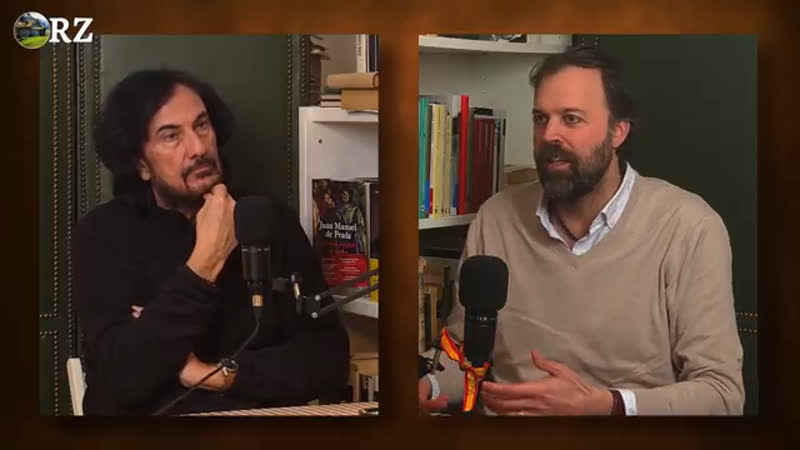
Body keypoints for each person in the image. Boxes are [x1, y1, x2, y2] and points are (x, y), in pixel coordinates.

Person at [419, 45, 744, 416]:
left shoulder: (689, 228)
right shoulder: (496, 218)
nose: (550, 135)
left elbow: (722, 396)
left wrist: (606, 405)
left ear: (618, 131)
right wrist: (428, 386)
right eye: (541, 119)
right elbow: (465, 356)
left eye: (571, 119)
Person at [73, 68, 350, 415]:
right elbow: (120, 380)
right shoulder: (104, 233)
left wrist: (213, 375)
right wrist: (203, 265)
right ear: (141, 164)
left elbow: (328, 359)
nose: (199, 148)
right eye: (171, 136)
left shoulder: (266, 218)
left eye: (202, 125)